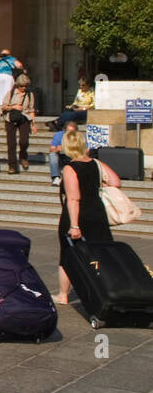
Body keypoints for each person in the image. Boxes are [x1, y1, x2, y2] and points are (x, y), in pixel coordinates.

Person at [55, 128, 120, 307]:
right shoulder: (96, 163)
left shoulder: (70, 168)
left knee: (68, 254)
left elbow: (74, 198)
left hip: (78, 216)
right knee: (100, 252)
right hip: (97, 213)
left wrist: (74, 225)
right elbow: (116, 182)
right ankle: (108, 288)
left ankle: (63, 295)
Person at [0, 73, 37, 174]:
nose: (23, 88)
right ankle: (12, 165)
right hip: (11, 118)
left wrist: (33, 124)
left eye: (25, 86)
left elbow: (31, 109)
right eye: (21, 86)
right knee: (11, 143)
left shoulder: (30, 94)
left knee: (24, 141)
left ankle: (23, 157)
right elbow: (3, 106)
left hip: (24, 118)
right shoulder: (11, 93)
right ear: (17, 85)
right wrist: (13, 107)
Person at [48, 120, 79, 186]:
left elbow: (86, 150)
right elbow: (51, 149)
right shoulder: (59, 135)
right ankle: (56, 177)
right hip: (62, 157)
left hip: (74, 157)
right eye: (68, 131)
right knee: (52, 155)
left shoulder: (80, 137)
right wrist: (57, 149)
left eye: (72, 132)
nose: (70, 134)